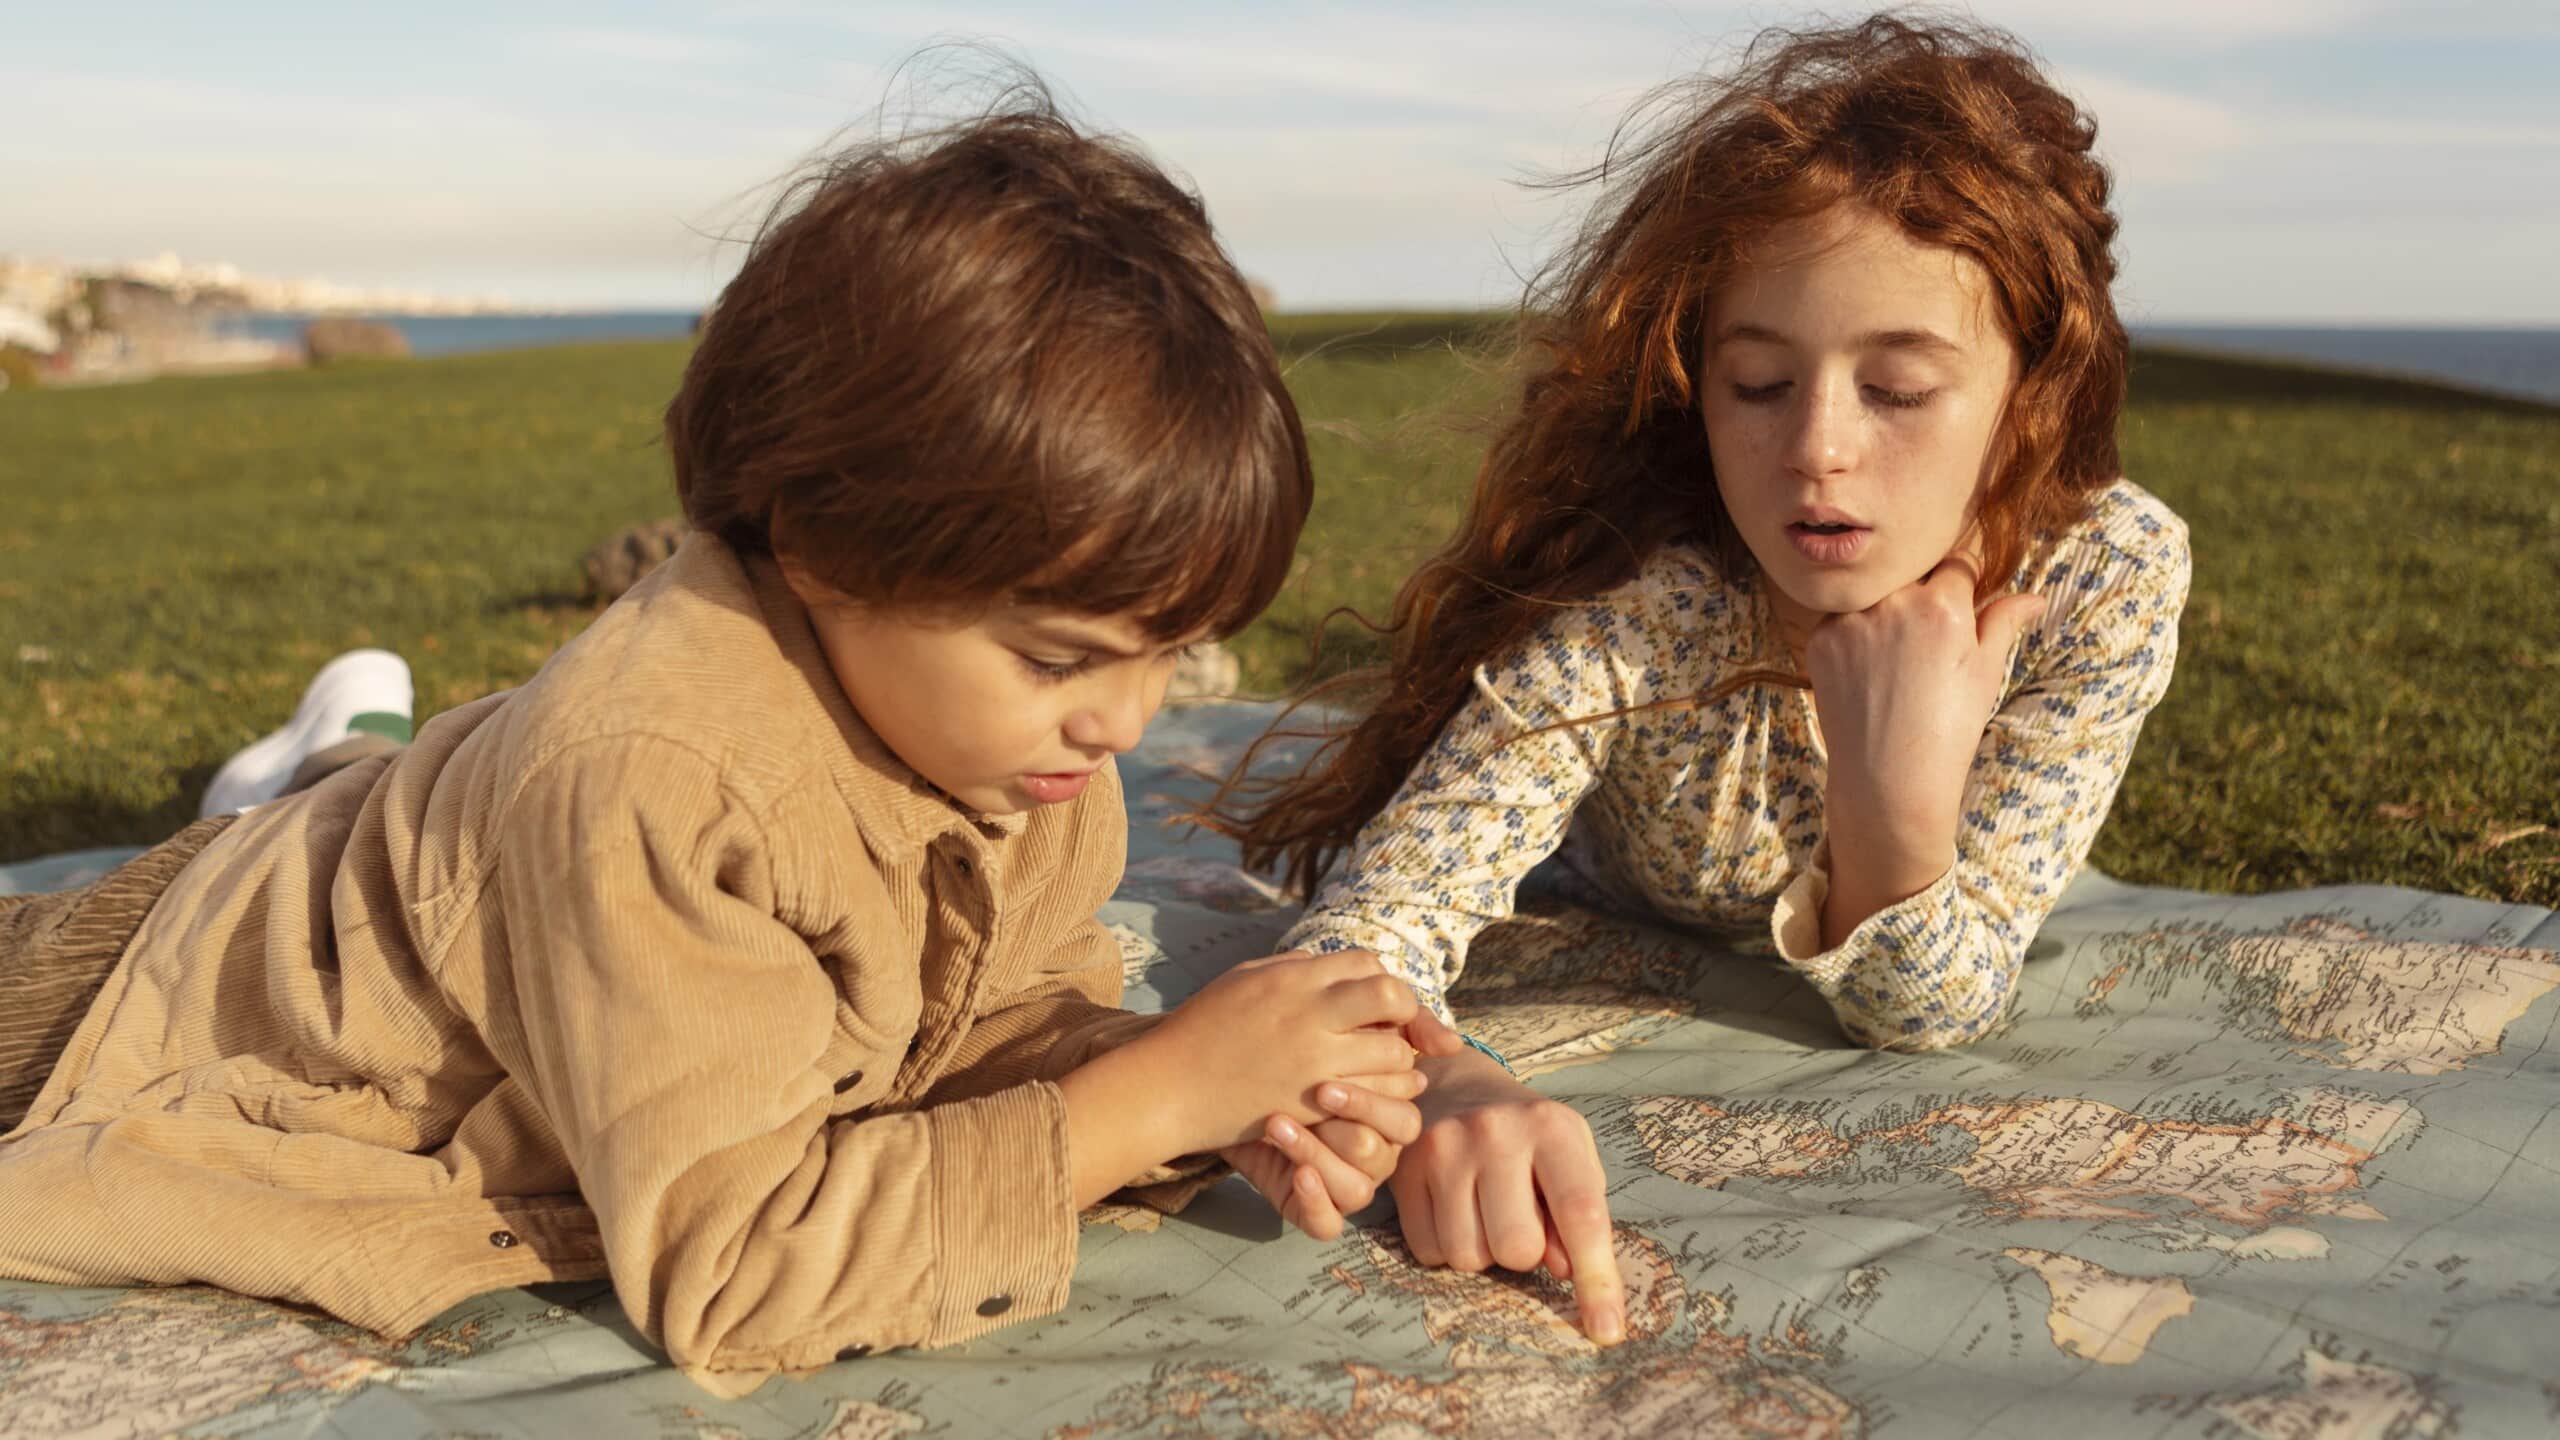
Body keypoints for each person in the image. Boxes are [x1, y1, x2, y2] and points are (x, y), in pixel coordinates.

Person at [0, 92, 1446, 1396]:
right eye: (1060, 656)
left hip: (434, 856)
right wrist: (1145, 1102)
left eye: (1162, 654)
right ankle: (313, 777)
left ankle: (328, 762)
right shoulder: (657, 776)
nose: (1125, 721)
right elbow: (736, 1269)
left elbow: (975, 1030)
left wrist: (1202, 1092)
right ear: (820, 547)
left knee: (369, 815)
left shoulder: (1016, 749)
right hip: (121, 1003)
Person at [1211, 15, 2192, 1346]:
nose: (1818, 453)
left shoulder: (2102, 575)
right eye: (1759, 383)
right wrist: (1438, 1081)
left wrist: (1896, 807)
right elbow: (1370, 921)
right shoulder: (1643, 612)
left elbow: (1941, 1004)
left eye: (1900, 388)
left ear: (2030, 396)